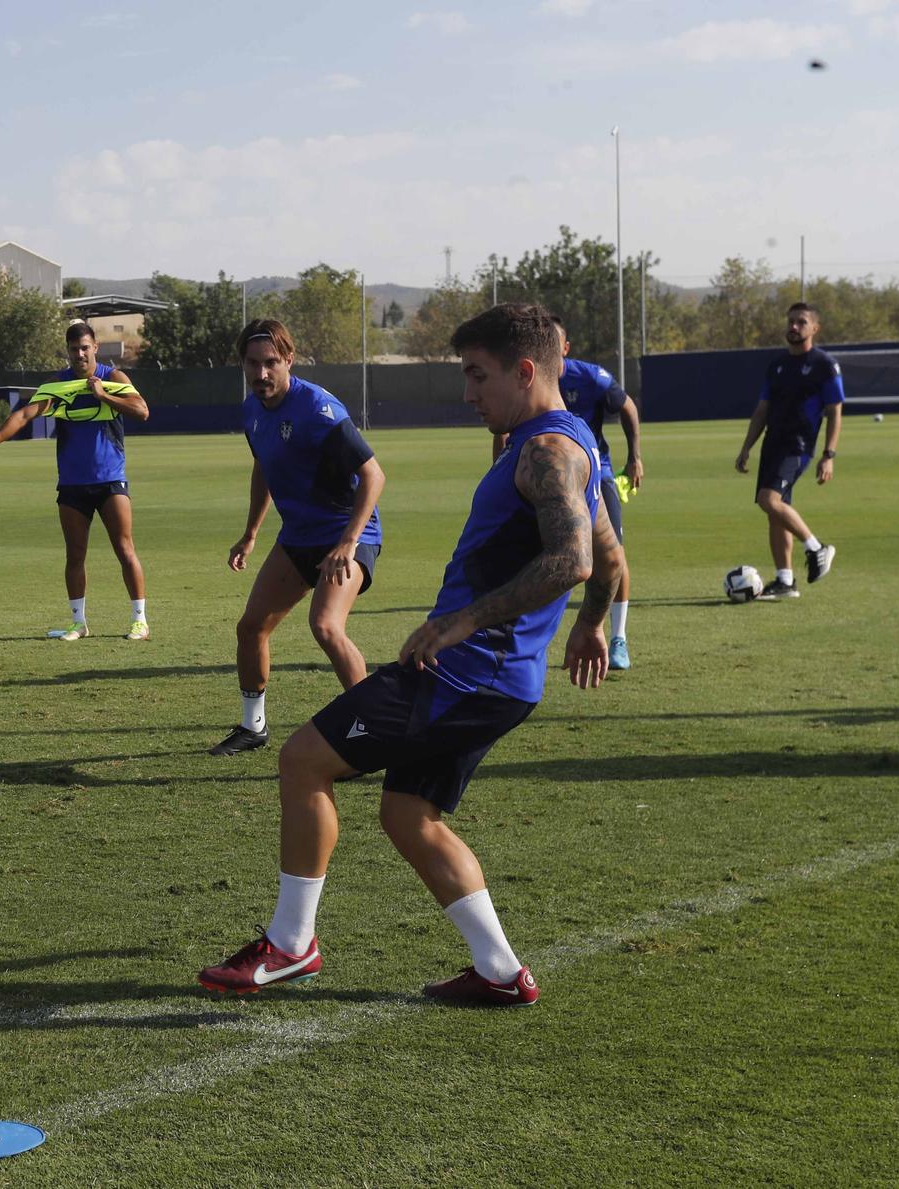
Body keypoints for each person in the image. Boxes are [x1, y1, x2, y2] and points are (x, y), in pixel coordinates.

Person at [198, 303, 623, 1006]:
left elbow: (573, 558)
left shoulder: (549, 451)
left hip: (466, 671)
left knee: (303, 759)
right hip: (499, 677)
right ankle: (499, 970)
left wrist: (462, 621)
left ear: (525, 371)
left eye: (477, 375)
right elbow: (606, 559)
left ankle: (290, 944)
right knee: (407, 813)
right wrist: (592, 625)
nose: (468, 392)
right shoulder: (567, 440)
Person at [211, 319, 385, 757]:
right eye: (253, 364)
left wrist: (348, 542)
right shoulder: (252, 410)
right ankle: (253, 728)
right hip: (298, 537)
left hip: (348, 535)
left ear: (289, 359)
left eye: (271, 362)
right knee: (251, 628)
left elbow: (373, 475)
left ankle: (374, 730)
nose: (262, 373)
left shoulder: (317, 409)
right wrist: (250, 534)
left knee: (325, 625)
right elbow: (263, 468)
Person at [0, 322, 151, 641]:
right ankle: (78, 623)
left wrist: (103, 394)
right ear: (67, 351)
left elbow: (142, 411)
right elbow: (24, 416)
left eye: (84, 347)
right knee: (75, 554)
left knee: (125, 548)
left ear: (95, 347)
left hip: (110, 480)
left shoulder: (114, 378)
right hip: (72, 484)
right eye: (73, 349)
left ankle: (140, 621)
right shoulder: (58, 385)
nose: (79, 354)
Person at [493, 316, 642, 668]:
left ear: (564, 348)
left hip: (595, 474)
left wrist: (634, 456)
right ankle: (520, 642)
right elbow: (501, 428)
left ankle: (618, 637)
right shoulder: (524, 381)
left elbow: (627, 407)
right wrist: (499, 467)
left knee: (611, 552)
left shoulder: (589, 377)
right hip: (537, 477)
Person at [735, 303, 842, 598]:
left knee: (768, 500)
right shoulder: (777, 365)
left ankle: (817, 548)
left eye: (801, 322)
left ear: (814, 329)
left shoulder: (824, 365)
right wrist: (747, 447)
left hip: (798, 446)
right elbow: (762, 411)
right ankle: (785, 581)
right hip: (773, 444)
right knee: (775, 513)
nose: (794, 327)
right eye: (791, 321)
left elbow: (835, 411)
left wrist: (828, 455)